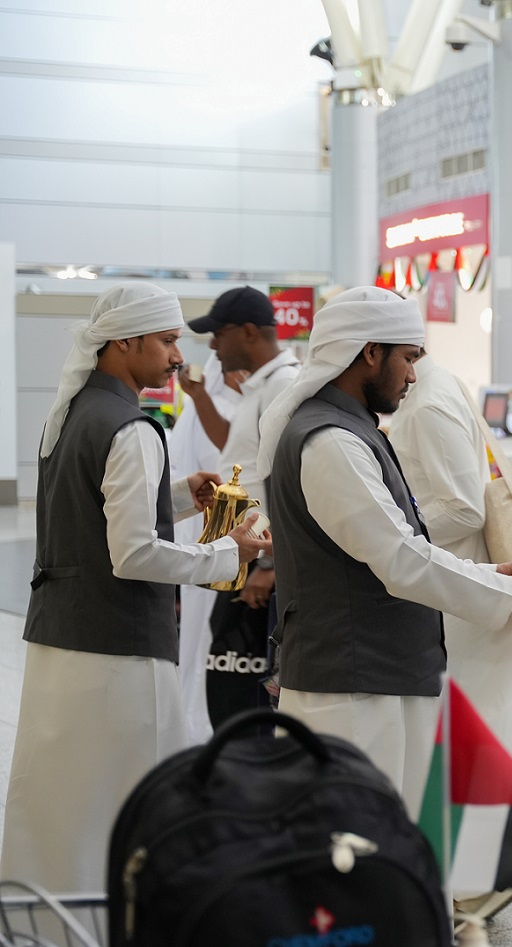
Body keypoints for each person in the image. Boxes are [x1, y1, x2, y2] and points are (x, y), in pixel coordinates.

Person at [257, 286, 512, 817]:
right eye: (407, 358)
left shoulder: (351, 431)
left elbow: (399, 543)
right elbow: (400, 559)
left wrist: (489, 573)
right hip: (354, 687)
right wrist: (509, 593)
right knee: (363, 862)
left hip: (376, 678)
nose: (412, 375)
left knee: (393, 860)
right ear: (368, 352)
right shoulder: (331, 442)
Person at [0, 282, 270, 893]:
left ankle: (50, 918)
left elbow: (90, 520)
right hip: (118, 651)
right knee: (134, 803)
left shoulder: (69, 413)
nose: (180, 356)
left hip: (58, 639)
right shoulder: (133, 428)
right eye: (169, 340)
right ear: (125, 341)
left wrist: (177, 496)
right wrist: (229, 551)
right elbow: (135, 555)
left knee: (61, 797)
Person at [386, 356, 512, 768]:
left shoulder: (428, 401)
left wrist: (392, 533)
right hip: (459, 589)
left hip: (462, 594)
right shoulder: (434, 387)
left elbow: (466, 509)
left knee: (470, 737)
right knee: (468, 732)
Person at [179, 286, 301, 726]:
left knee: (252, 676)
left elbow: (287, 483)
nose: (212, 345)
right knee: (230, 668)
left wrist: (268, 564)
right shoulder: (262, 386)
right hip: (244, 554)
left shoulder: (285, 386)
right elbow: (239, 454)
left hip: (260, 559)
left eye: (219, 333)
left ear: (248, 332)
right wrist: (200, 398)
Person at [168, 352, 245, 742]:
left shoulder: (226, 407)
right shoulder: (209, 412)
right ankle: (196, 724)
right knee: (203, 637)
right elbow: (226, 474)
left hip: (219, 541)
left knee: (209, 636)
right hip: (212, 538)